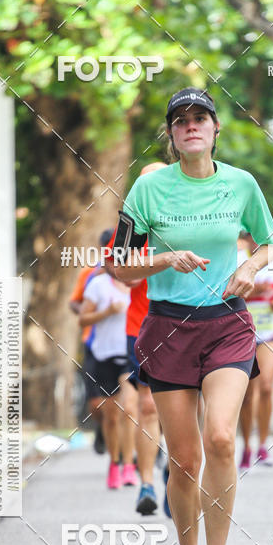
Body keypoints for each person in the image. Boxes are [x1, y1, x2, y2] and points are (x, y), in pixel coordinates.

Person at [109, 87, 273, 545]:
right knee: (184, 460)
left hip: (227, 323)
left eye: (200, 118)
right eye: (180, 119)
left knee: (222, 439)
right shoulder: (148, 190)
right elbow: (118, 266)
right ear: (170, 133)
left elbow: (268, 241)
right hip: (167, 329)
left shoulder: (241, 184)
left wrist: (249, 268)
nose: (191, 126)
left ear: (214, 129)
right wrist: (163, 261)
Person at [124, 162, 168, 516]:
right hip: (141, 327)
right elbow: (125, 274)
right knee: (149, 405)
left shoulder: (188, 218)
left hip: (187, 325)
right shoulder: (131, 224)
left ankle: (179, 468)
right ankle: (147, 484)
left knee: (189, 407)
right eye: (144, 184)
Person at [78, 265, 138, 489]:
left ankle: (130, 465)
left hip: (128, 354)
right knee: (111, 417)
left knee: (129, 409)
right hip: (103, 355)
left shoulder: (140, 283)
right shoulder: (98, 285)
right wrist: (107, 312)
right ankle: (114, 464)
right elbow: (82, 320)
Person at [238, 231, 273, 468]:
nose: (257, 240)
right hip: (243, 333)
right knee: (248, 394)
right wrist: (251, 292)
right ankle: (247, 447)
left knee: (267, 386)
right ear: (247, 238)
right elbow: (226, 292)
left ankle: (263, 445)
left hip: (271, 334)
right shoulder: (238, 259)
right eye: (252, 235)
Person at [68, 248, 105, 453]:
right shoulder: (89, 273)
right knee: (95, 402)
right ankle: (102, 426)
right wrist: (87, 311)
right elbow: (74, 302)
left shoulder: (131, 273)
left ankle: (126, 457)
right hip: (92, 343)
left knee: (129, 402)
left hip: (123, 345)